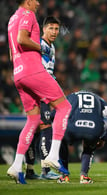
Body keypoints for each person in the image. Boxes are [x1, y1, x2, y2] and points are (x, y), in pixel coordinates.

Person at [7, 0, 71, 184]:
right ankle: (52, 155)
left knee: (33, 120)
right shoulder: (28, 15)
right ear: (27, 1)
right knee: (64, 107)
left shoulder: (12, 19)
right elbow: (22, 39)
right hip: (32, 70)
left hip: (18, 73)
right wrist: (41, 47)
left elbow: (12, 51)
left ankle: (17, 165)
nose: (38, 3)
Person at [58, 90, 107, 184]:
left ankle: (64, 176)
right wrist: (104, 138)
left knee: (62, 141)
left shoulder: (70, 97)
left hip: (73, 128)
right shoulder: (98, 99)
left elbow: (53, 114)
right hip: (93, 128)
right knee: (89, 147)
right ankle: (84, 176)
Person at [38, 16, 68, 180]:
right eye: (51, 28)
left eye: (57, 29)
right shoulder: (38, 44)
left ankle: (29, 169)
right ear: (44, 29)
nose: (54, 32)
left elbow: (50, 71)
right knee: (45, 127)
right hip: (39, 90)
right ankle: (45, 170)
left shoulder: (53, 47)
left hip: (47, 90)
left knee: (37, 129)